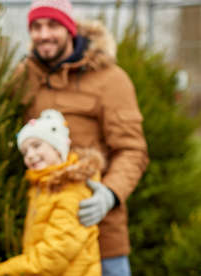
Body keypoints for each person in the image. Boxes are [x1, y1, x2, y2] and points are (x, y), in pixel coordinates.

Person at [13, 0, 149, 275]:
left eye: (52, 25)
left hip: (101, 234)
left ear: (69, 28)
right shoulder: (25, 78)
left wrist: (109, 194)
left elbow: (132, 150)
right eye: (36, 26)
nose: (43, 34)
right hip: (44, 236)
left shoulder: (110, 79)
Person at [0, 109, 103, 276]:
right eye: (25, 151)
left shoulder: (72, 190)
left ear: (58, 148)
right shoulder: (41, 187)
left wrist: (0, 271)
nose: (30, 155)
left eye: (36, 146)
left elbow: (53, 256)